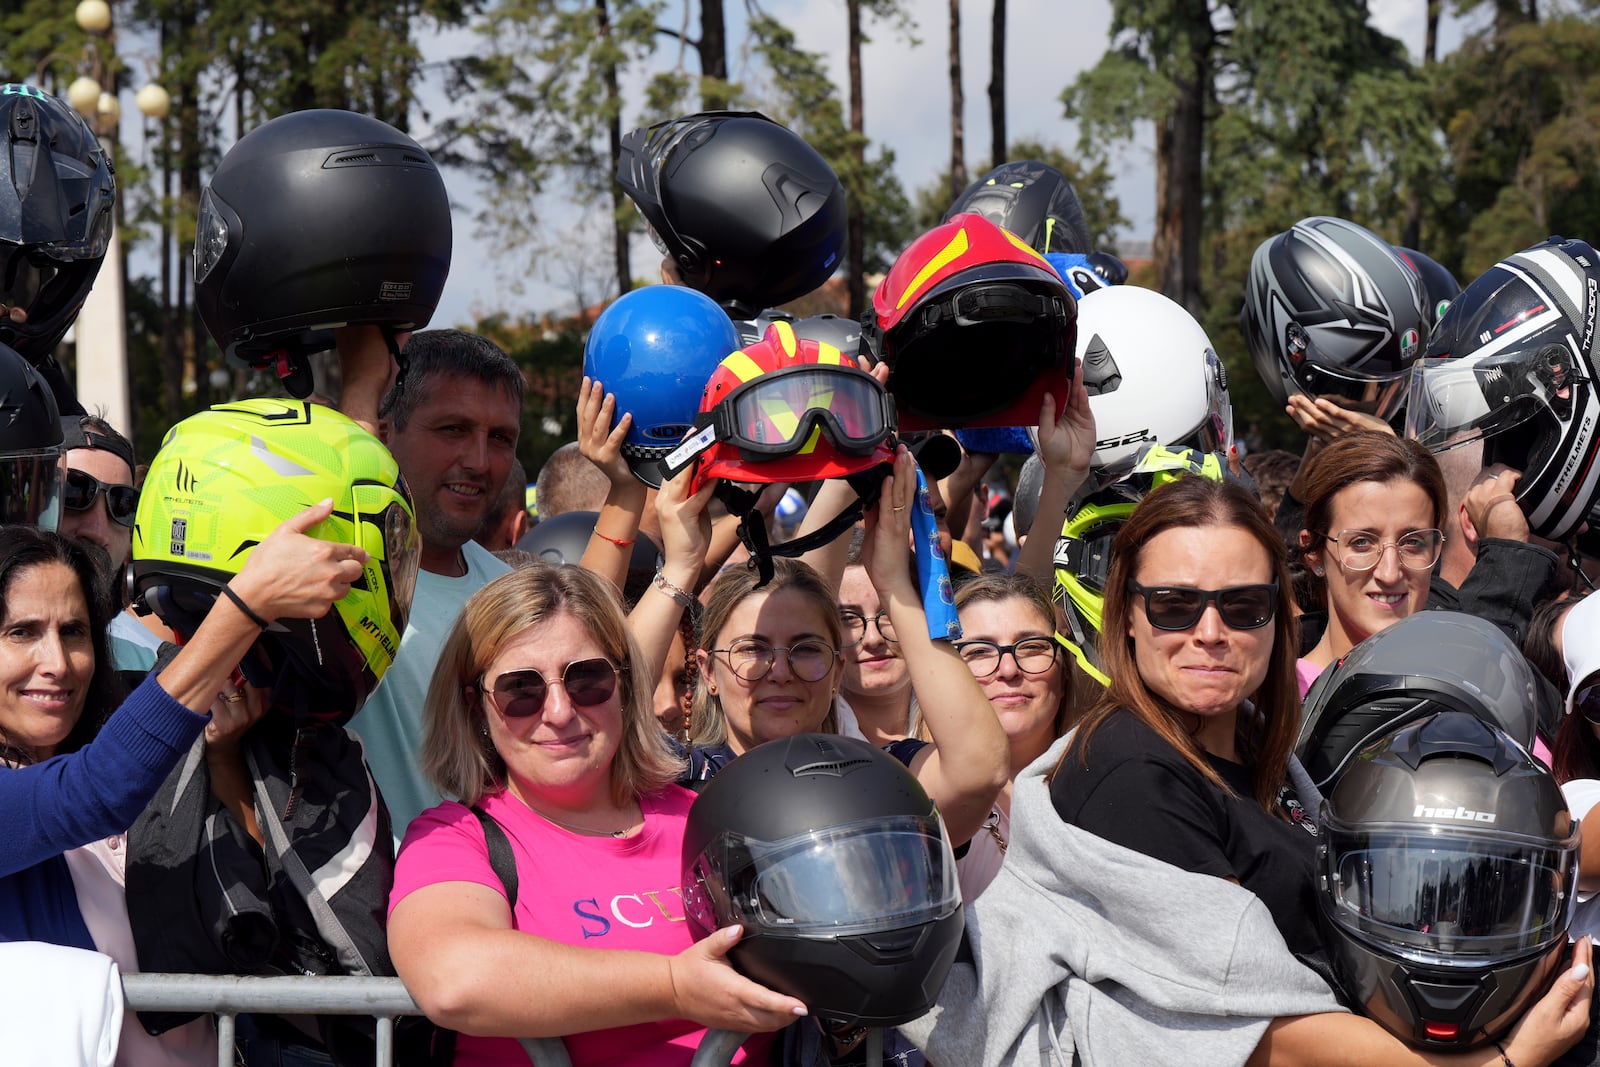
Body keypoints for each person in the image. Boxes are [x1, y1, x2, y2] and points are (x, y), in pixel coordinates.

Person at [900, 473, 1596, 1067]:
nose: (1211, 631)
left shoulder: (1253, 746)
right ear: (1129, 616)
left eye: (1242, 605)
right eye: (1175, 604)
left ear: (1276, 617)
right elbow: (1257, 1028)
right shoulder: (1129, 772)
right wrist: (1501, 1063)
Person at [388, 564, 808, 1065]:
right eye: (521, 689)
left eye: (587, 678)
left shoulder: (711, 815)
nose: (560, 711)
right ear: (475, 708)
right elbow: (454, 980)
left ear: (627, 686)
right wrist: (673, 986)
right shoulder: (455, 838)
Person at [0, 509, 364, 1066]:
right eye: (22, 633)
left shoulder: (131, 760)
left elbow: (258, 920)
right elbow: (96, 791)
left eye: (73, 632)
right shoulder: (110, 774)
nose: (57, 663)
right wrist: (246, 606)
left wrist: (221, 761)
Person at [682, 447, 1008, 848]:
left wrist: (894, 585)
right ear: (709, 671)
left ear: (837, 671)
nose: (781, 671)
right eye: (753, 649)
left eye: (805, 649)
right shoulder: (677, 781)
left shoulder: (881, 773)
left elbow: (981, 769)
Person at [351, 328, 524, 838]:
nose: (479, 461)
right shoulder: (336, 576)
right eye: (453, 429)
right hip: (354, 911)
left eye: (500, 439)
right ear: (383, 432)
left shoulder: (508, 593)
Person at [945, 572, 1082, 901]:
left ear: (1063, 674)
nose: (1008, 670)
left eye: (1032, 647)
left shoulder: (1107, 783)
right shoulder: (921, 797)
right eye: (979, 652)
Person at [1295, 432, 1448, 693]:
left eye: (1412, 542)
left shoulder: (1474, 696)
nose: (1390, 573)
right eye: (1362, 543)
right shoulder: (1274, 709)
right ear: (1314, 552)